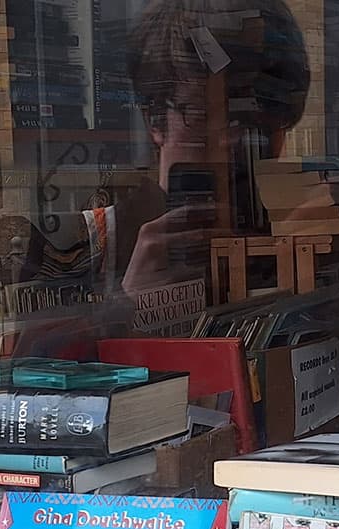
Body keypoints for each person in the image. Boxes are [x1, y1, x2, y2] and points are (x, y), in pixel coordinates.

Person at [17, 0, 313, 302]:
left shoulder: (301, 235)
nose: (230, 140)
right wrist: (127, 306)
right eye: (201, 115)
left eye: (257, 123)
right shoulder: (74, 244)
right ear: (154, 119)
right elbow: (38, 348)